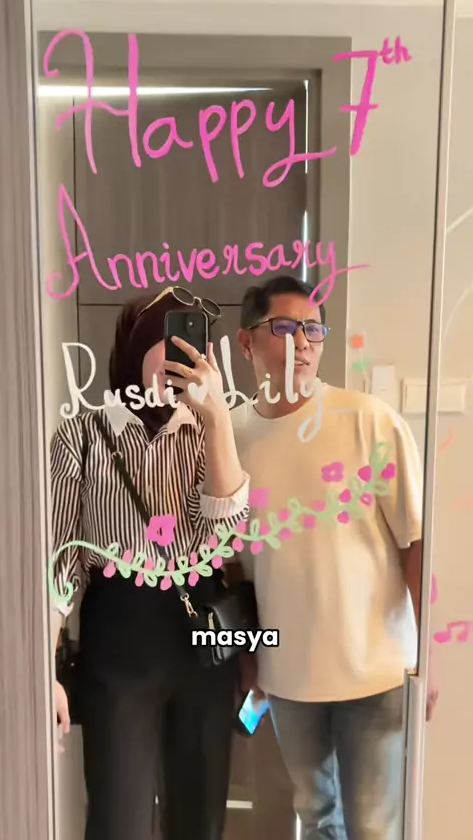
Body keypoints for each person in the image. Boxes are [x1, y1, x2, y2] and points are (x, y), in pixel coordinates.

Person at [230, 275, 438, 840]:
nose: (302, 342)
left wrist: (428, 655)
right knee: (318, 817)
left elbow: (416, 541)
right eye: (284, 328)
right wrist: (248, 660)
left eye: (313, 330)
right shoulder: (233, 436)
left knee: (373, 827)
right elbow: (233, 563)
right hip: (287, 676)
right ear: (246, 342)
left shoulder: (367, 420)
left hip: (375, 671)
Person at [50, 286, 249, 840]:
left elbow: (226, 534)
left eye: (192, 342)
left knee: (199, 819)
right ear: (136, 347)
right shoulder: (83, 434)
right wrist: (45, 670)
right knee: (118, 821)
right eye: (166, 338)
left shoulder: (210, 432)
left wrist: (218, 420)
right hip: (119, 642)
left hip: (202, 639)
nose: (181, 352)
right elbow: (60, 562)